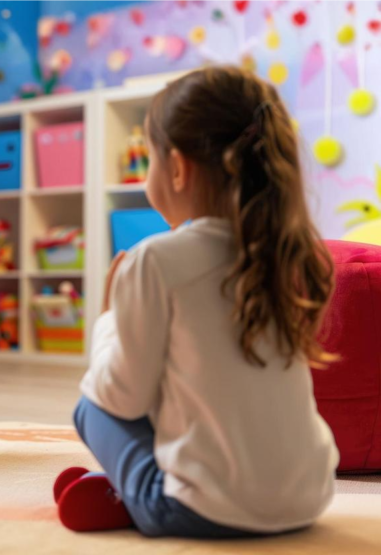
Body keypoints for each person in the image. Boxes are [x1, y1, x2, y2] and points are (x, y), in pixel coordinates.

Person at [56, 66, 339, 538]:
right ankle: (130, 487)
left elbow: (119, 396)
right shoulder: (286, 254)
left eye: (149, 158)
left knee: (91, 406)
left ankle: (130, 492)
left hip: (200, 512)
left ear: (179, 169)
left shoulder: (156, 261)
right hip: (308, 498)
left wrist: (108, 321)